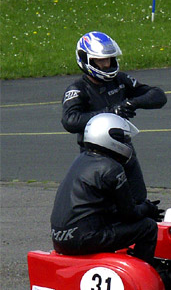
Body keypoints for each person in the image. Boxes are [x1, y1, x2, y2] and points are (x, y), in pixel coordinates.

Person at [61, 31, 167, 205]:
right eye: (100, 61)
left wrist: (132, 103)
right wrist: (111, 112)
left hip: (125, 151)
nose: (106, 64)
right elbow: (70, 120)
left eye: (108, 59)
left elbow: (158, 95)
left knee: (138, 200)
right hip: (96, 157)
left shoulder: (120, 80)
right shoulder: (78, 90)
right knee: (109, 205)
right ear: (87, 60)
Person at [50, 113, 160, 265]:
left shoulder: (81, 159)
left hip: (60, 238)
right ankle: (143, 276)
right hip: (84, 238)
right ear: (109, 138)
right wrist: (148, 208)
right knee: (148, 227)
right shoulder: (111, 168)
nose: (126, 143)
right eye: (124, 139)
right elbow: (129, 213)